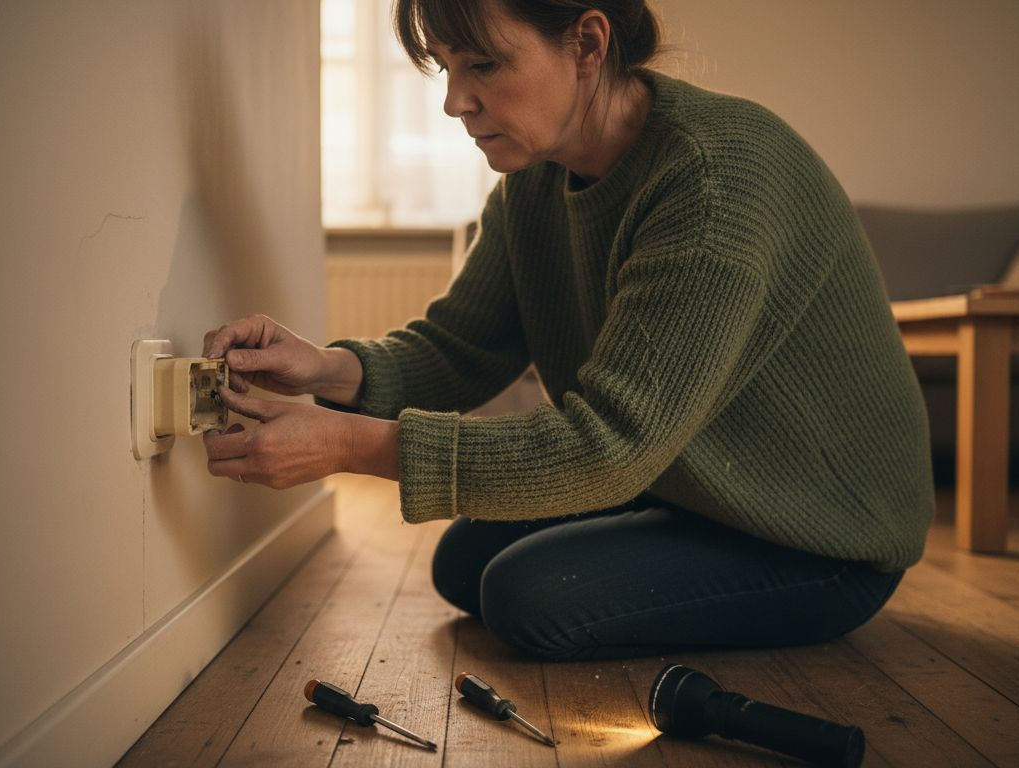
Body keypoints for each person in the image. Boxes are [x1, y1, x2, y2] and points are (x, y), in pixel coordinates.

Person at [201, 0, 935, 661]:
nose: (456, 101)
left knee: (529, 598)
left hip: (821, 535)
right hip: (692, 485)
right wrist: (324, 370)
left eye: (483, 64)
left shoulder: (715, 180)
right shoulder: (533, 181)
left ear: (587, 43)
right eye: (448, 69)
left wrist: (343, 445)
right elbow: (462, 345)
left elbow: (610, 445)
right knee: (464, 563)